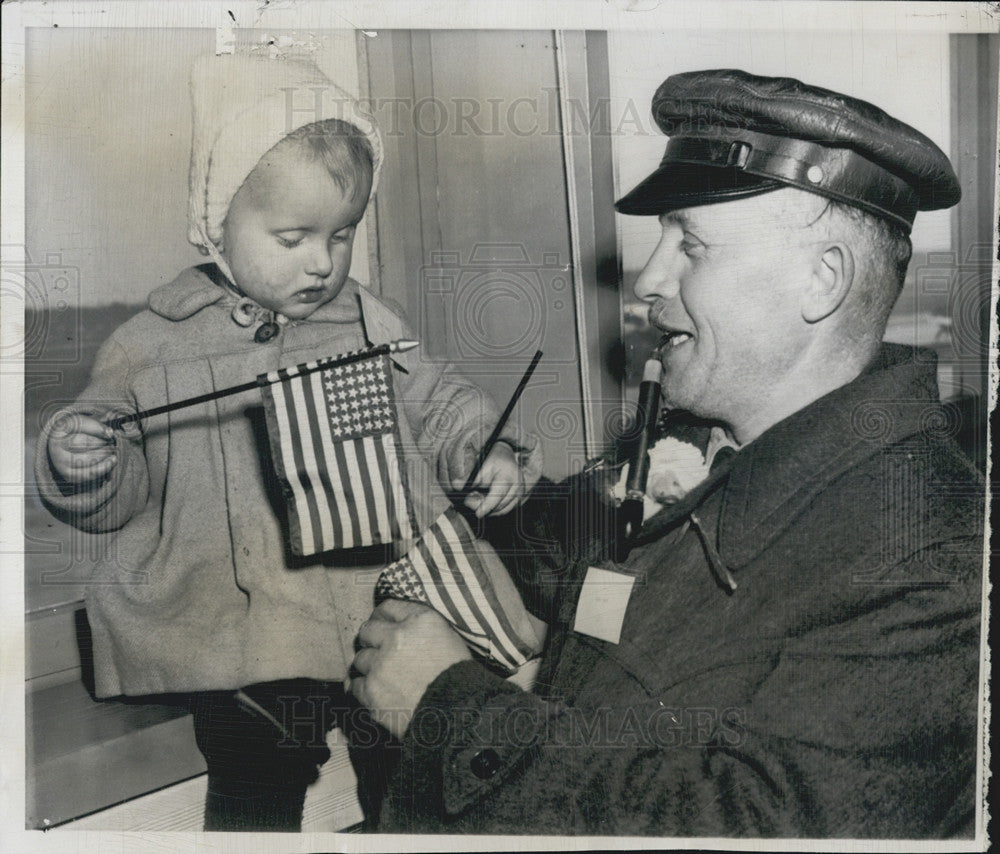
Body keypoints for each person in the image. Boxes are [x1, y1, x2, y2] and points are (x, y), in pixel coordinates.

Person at [348, 69, 985, 837]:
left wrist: (448, 706)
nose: (650, 279)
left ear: (822, 280)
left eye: (694, 245)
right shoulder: (722, 456)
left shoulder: (930, 556)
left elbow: (746, 828)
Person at [34, 52, 541, 832]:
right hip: (246, 639)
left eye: (341, 236)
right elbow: (117, 482)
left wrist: (481, 449)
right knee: (251, 792)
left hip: (382, 605)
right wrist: (84, 462)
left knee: (406, 774)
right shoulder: (153, 344)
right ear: (216, 223)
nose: (322, 262)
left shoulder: (366, 317)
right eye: (293, 236)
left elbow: (437, 396)